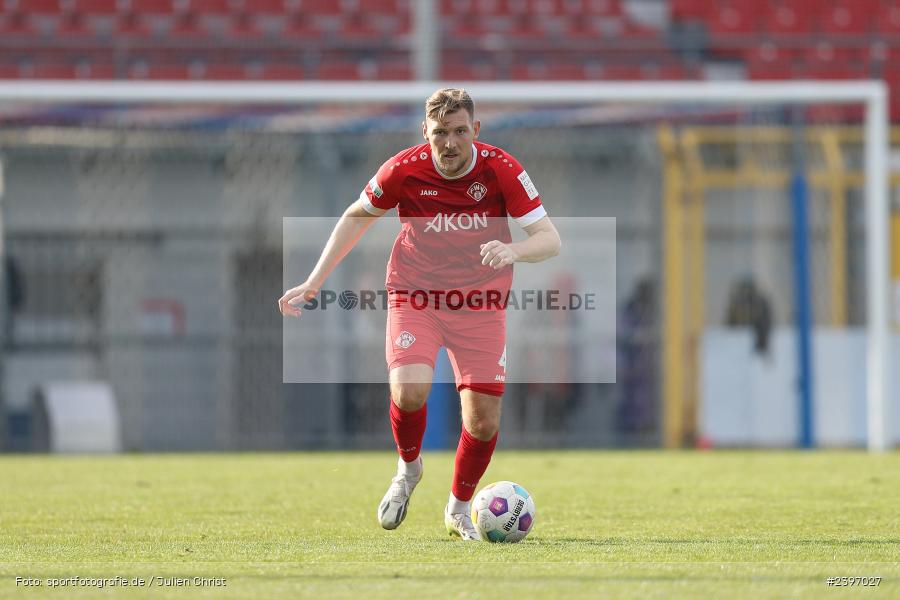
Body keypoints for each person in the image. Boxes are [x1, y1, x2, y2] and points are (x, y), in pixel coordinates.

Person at [278, 88, 561, 540]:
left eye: (459, 132)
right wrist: (314, 281)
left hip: (480, 304)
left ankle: (459, 508)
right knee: (409, 390)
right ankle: (408, 470)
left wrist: (512, 250)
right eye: (439, 134)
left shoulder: (502, 169)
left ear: (476, 131)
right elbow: (356, 216)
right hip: (417, 295)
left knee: (483, 420)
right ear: (424, 132)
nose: (449, 143)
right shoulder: (404, 169)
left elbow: (549, 239)